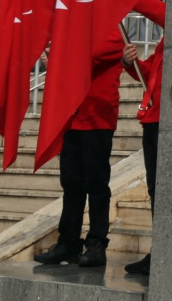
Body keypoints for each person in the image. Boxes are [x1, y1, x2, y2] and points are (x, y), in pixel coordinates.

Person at [34, 25, 125, 268]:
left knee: (96, 184)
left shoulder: (110, 30)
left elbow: (92, 57)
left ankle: (96, 243)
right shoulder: (78, 34)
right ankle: (69, 242)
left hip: (97, 118)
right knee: (71, 183)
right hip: (73, 117)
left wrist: (60, 54)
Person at [122, 0, 165, 276]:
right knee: (155, 190)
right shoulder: (164, 43)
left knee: (163, 191)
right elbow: (150, 74)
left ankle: (162, 251)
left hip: (167, 123)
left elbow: (165, 13)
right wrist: (131, 62)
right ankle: (159, 250)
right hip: (153, 121)